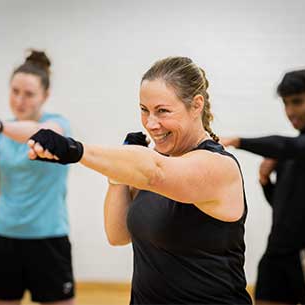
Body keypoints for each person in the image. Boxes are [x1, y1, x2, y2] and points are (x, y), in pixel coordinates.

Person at [27, 57, 252, 305]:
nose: (151, 124)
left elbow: (157, 173)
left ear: (196, 105)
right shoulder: (152, 162)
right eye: (144, 110)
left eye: (162, 111)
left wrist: (74, 150)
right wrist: (119, 175)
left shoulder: (219, 166)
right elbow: (117, 234)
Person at [221, 69, 305, 305]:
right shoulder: (293, 151)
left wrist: (238, 141)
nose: (290, 111)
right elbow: (282, 205)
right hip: (277, 250)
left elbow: (286, 145)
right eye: (286, 103)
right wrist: (264, 182)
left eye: (297, 102)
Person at [0, 50, 75, 305]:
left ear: (45, 96)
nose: (19, 100)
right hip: (3, 237)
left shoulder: (58, 124)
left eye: (28, 94)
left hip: (48, 238)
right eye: (15, 91)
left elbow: (42, 135)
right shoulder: (2, 131)